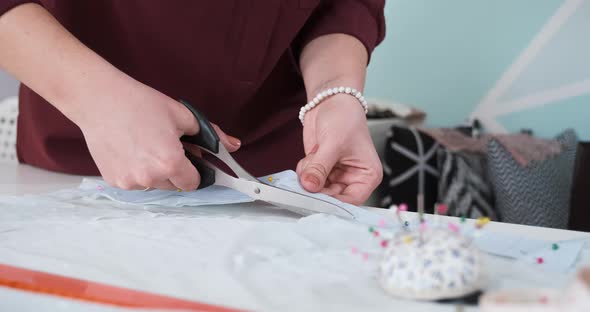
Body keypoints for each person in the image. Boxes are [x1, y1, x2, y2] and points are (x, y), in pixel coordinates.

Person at [0, 1, 385, 205]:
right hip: (72, 173)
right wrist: (95, 99)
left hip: (277, 178)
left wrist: (335, 93)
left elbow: (342, 6)